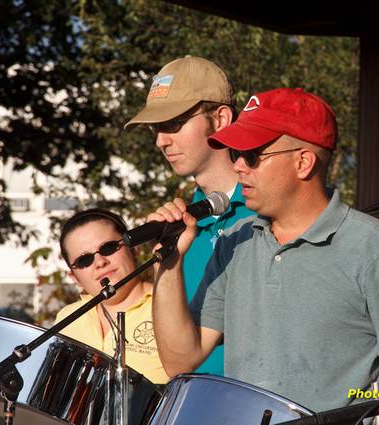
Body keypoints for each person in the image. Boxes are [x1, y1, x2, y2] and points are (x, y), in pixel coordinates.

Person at [149, 87, 379, 423]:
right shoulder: (235, 242)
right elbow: (179, 360)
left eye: (254, 155)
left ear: (303, 162)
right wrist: (168, 263)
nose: (240, 166)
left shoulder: (374, 248)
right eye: (236, 153)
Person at [124, 56, 254, 376]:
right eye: (157, 128)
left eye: (174, 123)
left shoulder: (268, 210)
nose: (160, 141)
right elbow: (176, 363)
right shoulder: (179, 227)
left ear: (221, 118)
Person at [55, 208, 168, 385]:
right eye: (84, 260)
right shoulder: (66, 318)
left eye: (108, 248)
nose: (100, 262)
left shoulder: (173, 306)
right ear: (74, 278)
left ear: (134, 249)